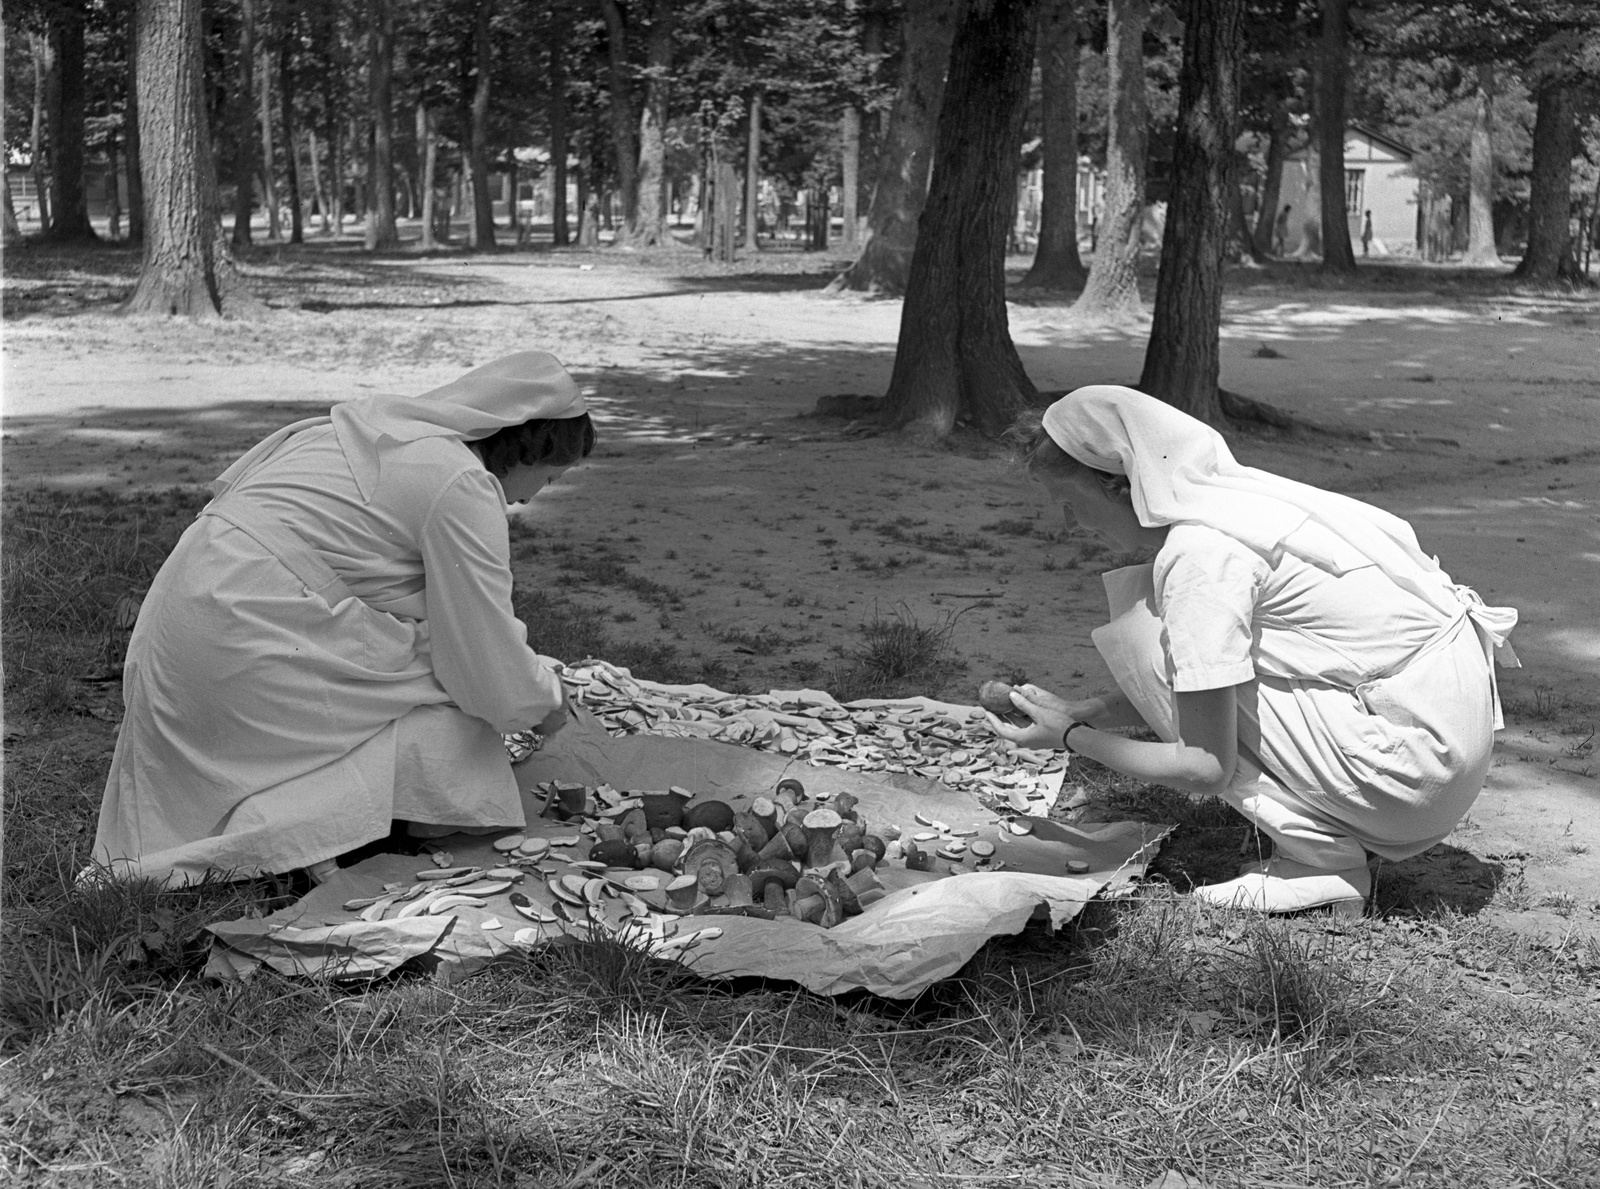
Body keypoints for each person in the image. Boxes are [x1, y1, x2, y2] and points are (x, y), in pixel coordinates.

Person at [987, 386, 1518, 915]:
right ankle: (1331, 828)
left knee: (1148, 637)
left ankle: (1322, 863)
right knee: (1183, 649)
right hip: (1443, 744)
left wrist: (1073, 738)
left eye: (1069, 503)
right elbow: (1227, 675)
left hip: (1413, 776)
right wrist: (1092, 710)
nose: (1069, 524)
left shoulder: (1200, 558)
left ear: (1121, 485)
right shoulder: (1241, 503)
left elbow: (1203, 767)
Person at [91, 352, 594, 887]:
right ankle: (306, 833)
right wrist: (546, 701)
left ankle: (292, 810)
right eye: (552, 475)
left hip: (183, 625)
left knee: (431, 658)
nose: (537, 494)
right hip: (245, 634)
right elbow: (482, 657)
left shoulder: (372, 429)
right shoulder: (459, 483)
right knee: (460, 718)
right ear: (526, 447)